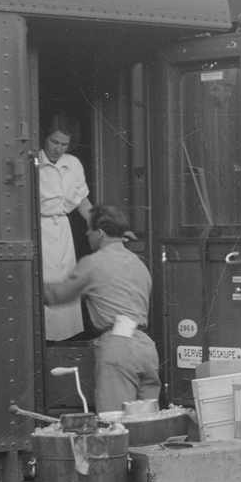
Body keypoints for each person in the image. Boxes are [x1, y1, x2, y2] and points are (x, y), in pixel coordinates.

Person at [43, 204, 160, 413]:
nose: (86, 234)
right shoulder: (138, 263)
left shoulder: (93, 263)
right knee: (145, 427)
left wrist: (27, 280)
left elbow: (57, 295)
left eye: (89, 229)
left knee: (114, 425)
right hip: (146, 349)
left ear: (100, 233)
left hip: (117, 348)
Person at [38, 114, 93, 342]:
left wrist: (104, 229)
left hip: (62, 232)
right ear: (44, 138)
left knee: (65, 290)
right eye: (54, 142)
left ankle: (63, 344)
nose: (58, 149)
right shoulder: (34, 162)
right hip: (39, 231)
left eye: (64, 144)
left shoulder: (74, 164)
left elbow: (83, 202)